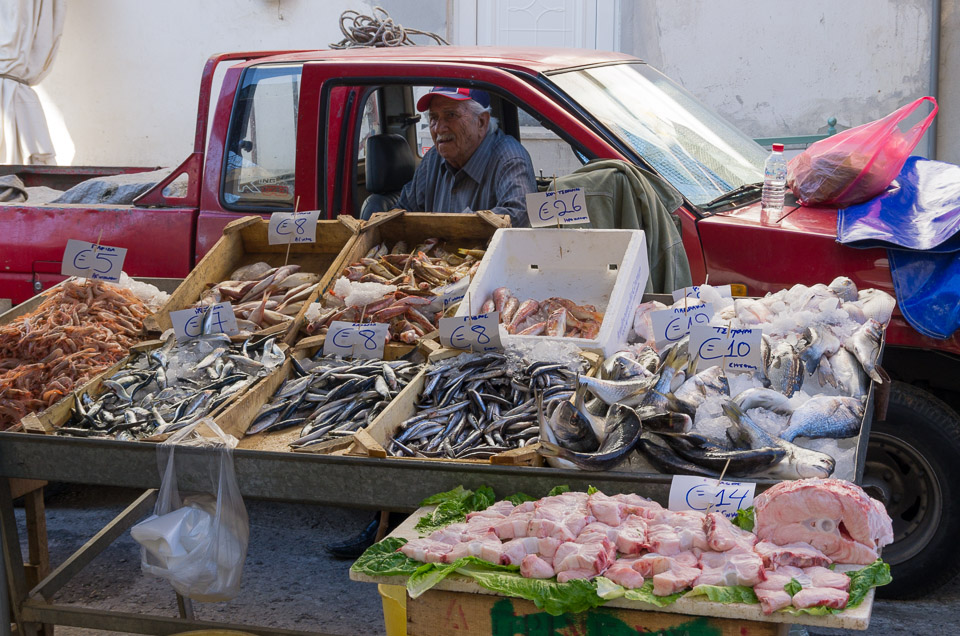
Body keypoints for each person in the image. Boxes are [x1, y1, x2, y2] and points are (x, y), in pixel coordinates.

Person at [396, 87, 536, 227]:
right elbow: (401, 214)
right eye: (434, 118)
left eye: (451, 115)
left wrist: (449, 230)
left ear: (481, 122)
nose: (438, 128)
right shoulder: (433, 159)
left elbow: (518, 217)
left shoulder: (510, 159)